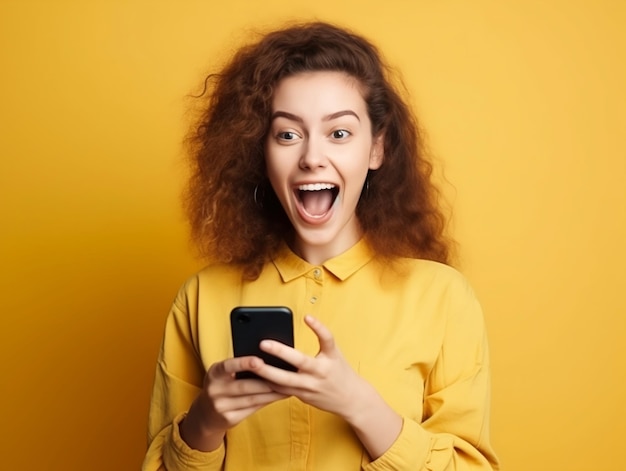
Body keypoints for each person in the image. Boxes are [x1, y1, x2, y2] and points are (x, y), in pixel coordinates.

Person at [142, 21, 499, 471]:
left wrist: (359, 404)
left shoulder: (444, 297)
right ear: (260, 151)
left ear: (377, 149)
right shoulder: (200, 298)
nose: (311, 156)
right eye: (288, 134)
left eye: (339, 133)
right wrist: (205, 422)